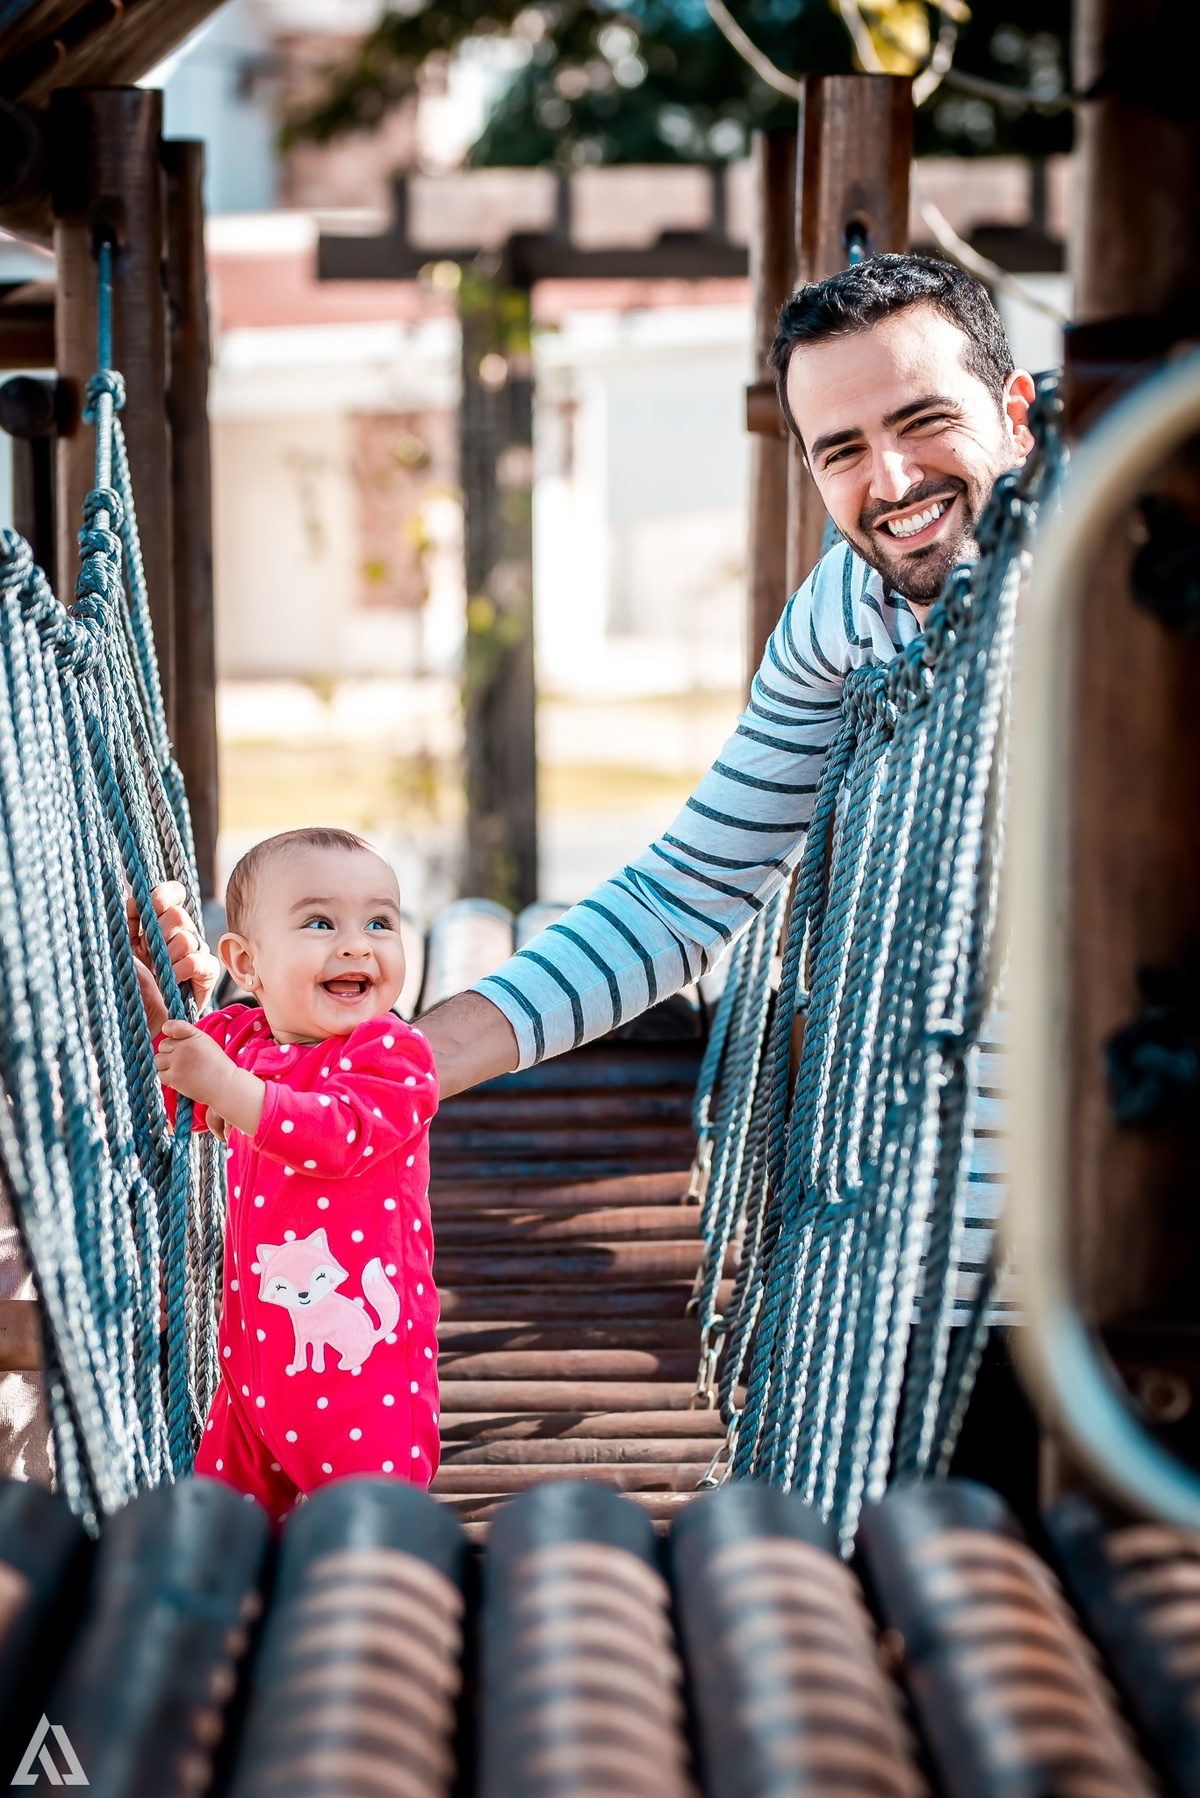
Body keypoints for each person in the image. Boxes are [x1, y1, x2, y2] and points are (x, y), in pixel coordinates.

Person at [418, 254, 1035, 1102]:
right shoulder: (849, 610)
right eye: (842, 451)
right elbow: (684, 899)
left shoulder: (1134, 579)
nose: (892, 482)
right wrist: (394, 1070)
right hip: (916, 1189)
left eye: (922, 419)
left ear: (1017, 415)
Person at [142, 827, 439, 1523]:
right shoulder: (240, 1043)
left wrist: (231, 1091)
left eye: (379, 922)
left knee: (364, 1542)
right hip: (252, 1383)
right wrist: (155, 1018)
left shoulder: (393, 1055)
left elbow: (336, 1136)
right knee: (218, 1535)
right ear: (247, 963)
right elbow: (165, 1092)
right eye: (319, 922)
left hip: (367, 1385)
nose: (357, 944)